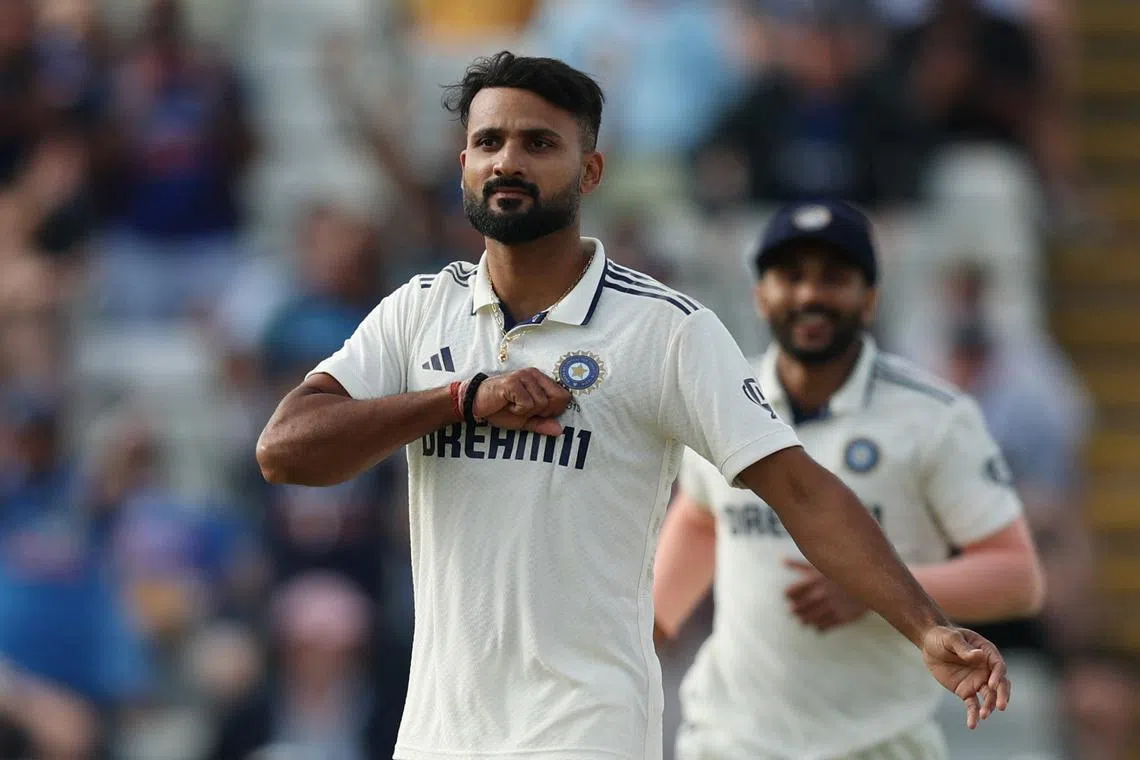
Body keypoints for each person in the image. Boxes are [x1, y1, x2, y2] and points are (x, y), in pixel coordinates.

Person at [256, 53, 1012, 760]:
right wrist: (460, 399)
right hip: (439, 733)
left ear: (590, 171)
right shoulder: (418, 311)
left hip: (585, 727)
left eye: (538, 143)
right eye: (489, 141)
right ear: (465, 166)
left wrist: (926, 627)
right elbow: (285, 450)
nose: (508, 160)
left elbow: (801, 488)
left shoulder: (664, 330)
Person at [652, 200, 1045, 760]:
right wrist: (654, 632)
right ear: (760, 296)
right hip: (727, 740)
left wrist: (876, 588)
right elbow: (700, 517)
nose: (810, 295)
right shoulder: (724, 397)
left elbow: (1016, 577)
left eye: (834, 279)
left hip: (877, 745)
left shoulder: (935, 417)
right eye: (791, 278)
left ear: (871, 299)